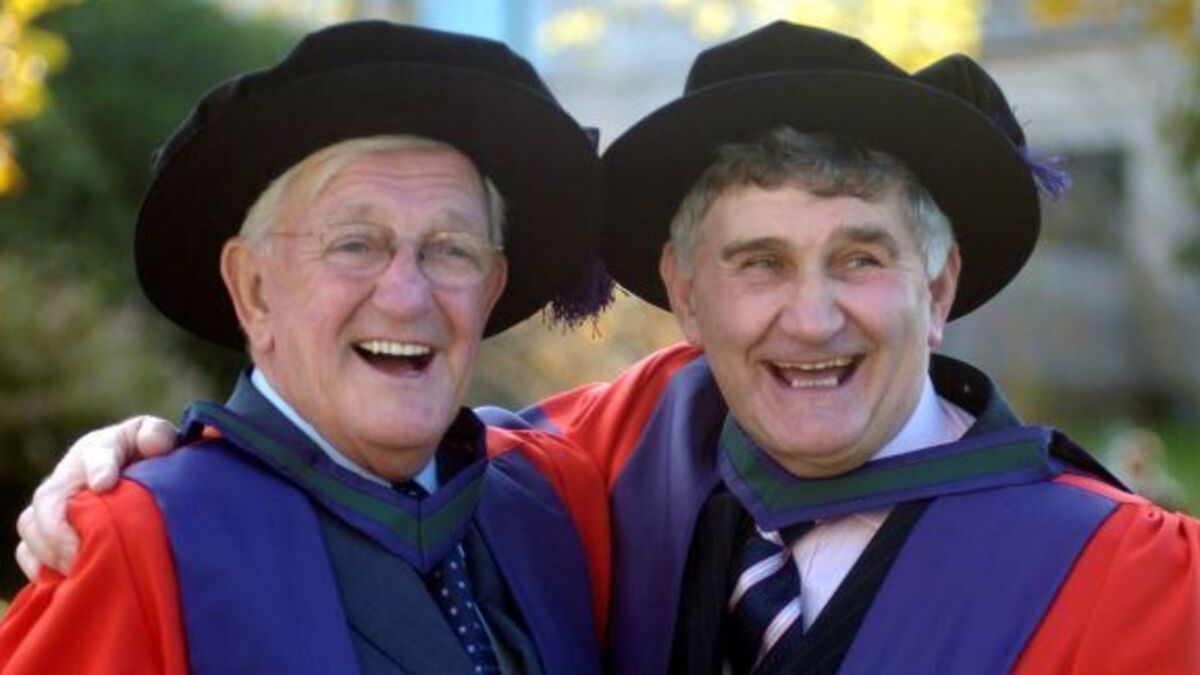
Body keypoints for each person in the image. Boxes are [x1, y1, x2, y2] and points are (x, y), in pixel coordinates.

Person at [16, 22, 1200, 674]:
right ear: (683, 294)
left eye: (859, 258)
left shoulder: (1138, 584)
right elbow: (355, 449)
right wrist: (153, 475)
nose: (810, 320)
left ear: (937, 287)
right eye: (756, 263)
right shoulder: (613, 467)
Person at [0, 21, 612, 675]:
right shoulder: (143, 540)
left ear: (491, 290)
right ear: (255, 289)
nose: (407, 296)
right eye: (355, 243)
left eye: (453, 250)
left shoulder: (551, 499)